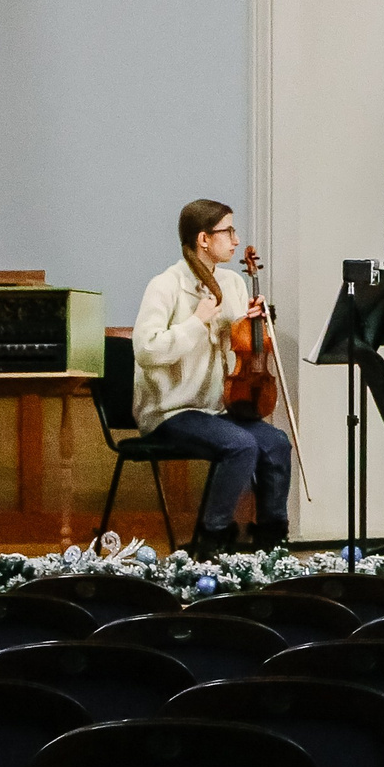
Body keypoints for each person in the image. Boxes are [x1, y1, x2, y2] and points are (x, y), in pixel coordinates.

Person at [131, 199, 294, 554]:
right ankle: (212, 537)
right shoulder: (165, 285)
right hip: (172, 411)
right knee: (240, 444)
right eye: (229, 231)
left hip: (218, 409)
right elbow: (146, 350)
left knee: (277, 442)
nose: (236, 240)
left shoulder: (233, 282)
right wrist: (196, 321)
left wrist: (254, 320)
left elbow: (238, 340)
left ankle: (270, 540)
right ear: (204, 239)